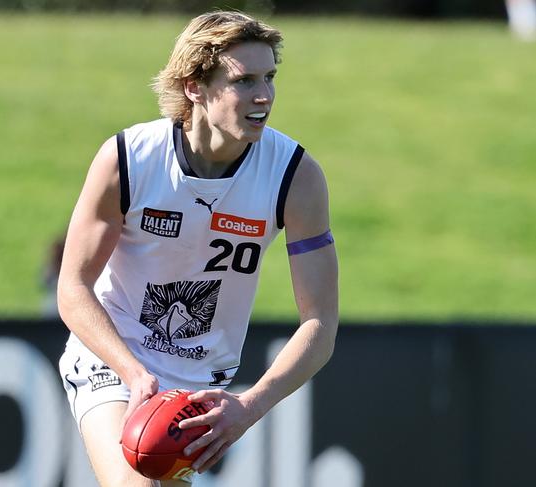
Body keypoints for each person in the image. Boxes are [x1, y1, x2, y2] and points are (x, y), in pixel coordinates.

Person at [57, 10, 339, 487]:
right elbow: (73, 287)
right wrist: (133, 373)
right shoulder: (129, 160)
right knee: (138, 480)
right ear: (194, 86)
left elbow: (320, 324)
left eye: (269, 77)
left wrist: (250, 406)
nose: (264, 95)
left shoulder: (295, 177)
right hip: (113, 356)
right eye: (243, 80)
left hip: (199, 382)